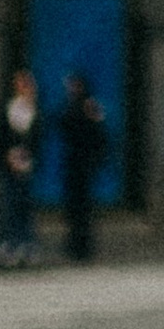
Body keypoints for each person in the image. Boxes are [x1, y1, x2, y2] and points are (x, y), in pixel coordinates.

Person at [0, 66, 42, 265]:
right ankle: (8, 244)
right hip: (7, 164)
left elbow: (36, 138)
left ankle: (27, 244)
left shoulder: (34, 109)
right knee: (7, 206)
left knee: (25, 206)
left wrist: (29, 158)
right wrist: (7, 156)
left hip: (27, 165)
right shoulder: (7, 107)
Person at [56, 69, 108, 265]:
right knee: (73, 207)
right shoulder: (69, 106)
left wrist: (97, 161)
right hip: (73, 163)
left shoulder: (90, 106)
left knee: (84, 208)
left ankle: (83, 246)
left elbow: (100, 134)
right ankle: (74, 243)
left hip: (84, 164)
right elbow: (61, 125)